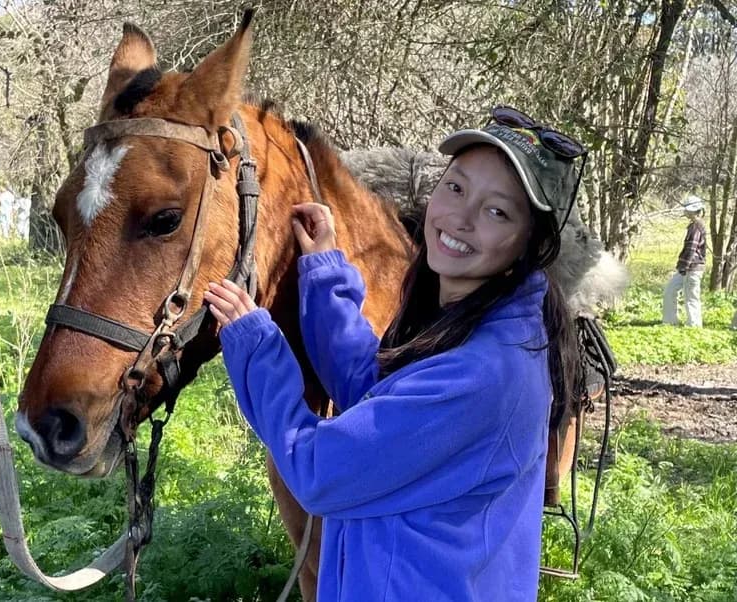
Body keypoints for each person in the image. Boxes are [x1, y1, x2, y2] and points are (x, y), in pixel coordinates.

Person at [205, 106, 587, 600]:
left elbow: (322, 472)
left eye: (497, 211)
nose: (461, 217)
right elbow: (376, 394)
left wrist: (257, 347)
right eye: (456, 187)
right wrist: (323, 272)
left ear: (530, 243)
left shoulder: (488, 373)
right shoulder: (463, 318)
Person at [662, 194, 707, 327]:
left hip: (692, 268)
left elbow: (691, 249)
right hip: (688, 267)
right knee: (670, 291)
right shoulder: (694, 225)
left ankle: (694, 326)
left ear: (693, 211)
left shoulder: (696, 227)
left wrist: (683, 267)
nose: (686, 212)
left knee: (691, 297)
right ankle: (670, 321)